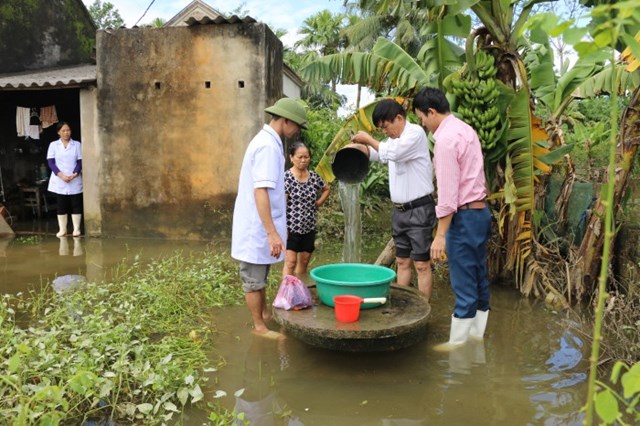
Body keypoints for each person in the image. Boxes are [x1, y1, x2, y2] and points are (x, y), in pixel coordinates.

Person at [412, 87, 492, 349]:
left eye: (422, 118)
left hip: (464, 217)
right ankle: (475, 338)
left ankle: (457, 347)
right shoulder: (466, 130)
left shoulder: (445, 140)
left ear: (431, 112)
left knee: (463, 281)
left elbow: (447, 195)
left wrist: (440, 235)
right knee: (479, 276)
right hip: (481, 213)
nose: (423, 124)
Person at [231, 97, 308, 339]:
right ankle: (259, 327)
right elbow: (260, 191)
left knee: (261, 273)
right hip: (257, 226)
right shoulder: (267, 146)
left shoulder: (270, 143)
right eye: (296, 125)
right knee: (253, 277)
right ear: (285, 120)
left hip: (262, 224)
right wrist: (271, 232)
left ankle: (264, 315)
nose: (296, 131)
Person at [351, 98, 436, 299]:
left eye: (385, 126)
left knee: (422, 264)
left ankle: (424, 308)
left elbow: (393, 153)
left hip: (419, 210)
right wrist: (360, 146)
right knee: (402, 261)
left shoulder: (414, 133)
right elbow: (378, 154)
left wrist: (370, 140)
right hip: (400, 211)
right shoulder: (391, 141)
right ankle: (402, 303)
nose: (385, 132)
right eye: (381, 129)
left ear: (399, 118)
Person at [282, 141, 330, 277]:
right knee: (290, 262)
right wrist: (283, 227)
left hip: (309, 227)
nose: (303, 160)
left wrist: (318, 203)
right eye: (300, 157)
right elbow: (282, 204)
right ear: (291, 158)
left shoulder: (314, 177)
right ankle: (286, 293)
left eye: (306, 157)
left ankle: (299, 289)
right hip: (291, 228)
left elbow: (326, 189)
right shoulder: (287, 178)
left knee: (304, 261)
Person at [47, 121, 83, 237]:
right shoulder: (53, 145)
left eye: (68, 130)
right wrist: (60, 174)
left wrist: (75, 173)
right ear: (58, 132)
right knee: (61, 204)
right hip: (60, 179)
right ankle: (62, 229)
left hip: (74, 178)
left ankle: (76, 229)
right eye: (63, 131)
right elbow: (51, 162)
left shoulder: (77, 144)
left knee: (76, 203)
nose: (66, 133)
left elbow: (80, 161)